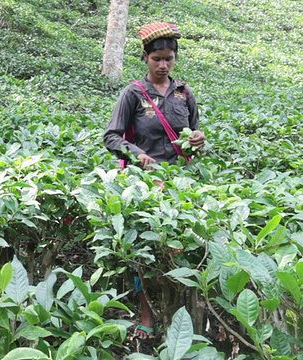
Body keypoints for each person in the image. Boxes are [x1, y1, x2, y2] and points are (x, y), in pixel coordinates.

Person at [103, 22, 206, 340]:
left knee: (177, 249)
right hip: (143, 185)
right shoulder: (132, 93)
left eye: (169, 59)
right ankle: (146, 314)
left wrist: (199, 140)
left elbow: (194, 137)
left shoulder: (184, 94)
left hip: (176, 183)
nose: (163, 65)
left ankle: (178, 314)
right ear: (146, 58)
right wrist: (138, 156)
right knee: (144, 251)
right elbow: (111, 136)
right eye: (157, 58)